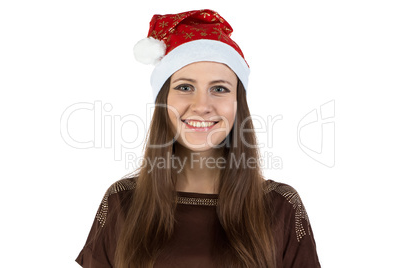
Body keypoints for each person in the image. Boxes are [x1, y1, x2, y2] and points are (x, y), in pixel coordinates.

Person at [75, 9, 321, 268]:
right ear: (163, 100)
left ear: (238, 103)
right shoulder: (122, 203)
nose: (201, 105)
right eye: (184, 87)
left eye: (219, 89)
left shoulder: (281, 207)